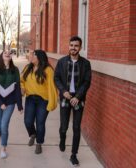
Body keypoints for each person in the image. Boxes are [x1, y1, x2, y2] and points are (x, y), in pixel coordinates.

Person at [54, 36, 92, 166]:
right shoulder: (62, 62)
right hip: (65, 97)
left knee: (76, 127)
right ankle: (62, 139)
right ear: (69, 46)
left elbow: (87, 82)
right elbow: (56, 78)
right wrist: (63, 91)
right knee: (64, 127)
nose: (73, 48)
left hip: (78, 99)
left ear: (80, 48)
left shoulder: (85, 64)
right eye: (71, 45)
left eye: (76, 46)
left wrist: (78, 97)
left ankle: (73, 155)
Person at [20, 49, 58, 154]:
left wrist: (52, 103)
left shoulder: (48, 70)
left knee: (40, 123)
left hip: (43, 100)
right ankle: (32, 134)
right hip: (30, 99)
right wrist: (22, 88)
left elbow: (52, 87)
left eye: (33, 55)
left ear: (39, 57)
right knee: (28, 121)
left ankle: (39, 143)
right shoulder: (28, 68)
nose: (31, 56)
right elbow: (21, 80)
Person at [0, 50, 23, 159]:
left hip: (10, 103)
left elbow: (18, 88)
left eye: (9, 53)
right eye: (5, 52)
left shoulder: (15, 70)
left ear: (11, 57)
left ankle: (3, 147)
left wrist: (19, 106)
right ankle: (0, 135)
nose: (8, 53)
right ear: (1, 56)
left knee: (4, 125)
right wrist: (0, 103)